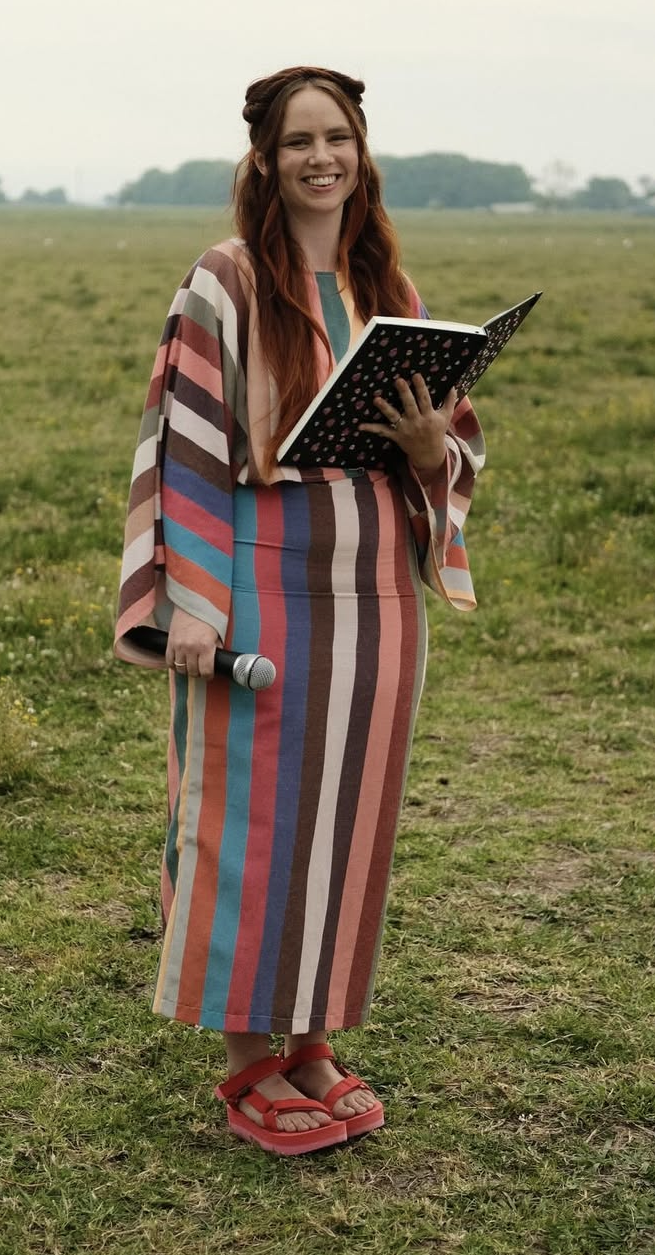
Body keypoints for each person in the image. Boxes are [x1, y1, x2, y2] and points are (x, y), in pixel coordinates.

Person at [114, 65, 485, 1155]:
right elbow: (185, 443)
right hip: (260, 588)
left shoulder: (392, 291)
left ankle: (314, 1039)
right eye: (298, 142)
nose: (322, 158)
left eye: (339, 139)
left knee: (346, 819)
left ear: (361, 153)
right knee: (250, 820)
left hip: (377, 593)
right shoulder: (224, 280)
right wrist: (193, 600)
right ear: (266, 162)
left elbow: (447, 445)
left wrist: (434, 450)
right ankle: (248, 1059)